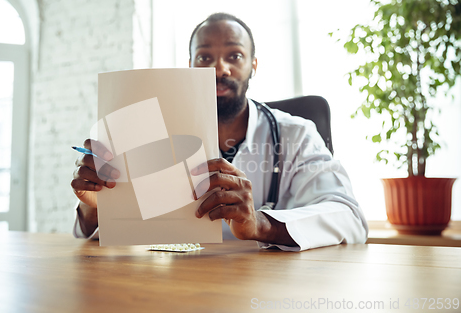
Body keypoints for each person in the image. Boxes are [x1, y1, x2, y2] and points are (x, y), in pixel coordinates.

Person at [71, 13, 368, 251]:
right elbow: (109, 235)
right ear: (189, 66)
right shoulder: (148, 136)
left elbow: (350, 218)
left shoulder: (296, 135)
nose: (219, 68)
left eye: (235, 56)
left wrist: (261, 224)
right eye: (204, 58)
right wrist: (98, 206)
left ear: (253, 65)